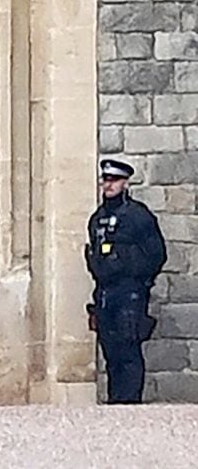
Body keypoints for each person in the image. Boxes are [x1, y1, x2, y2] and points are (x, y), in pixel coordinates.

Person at [85, 158, 167, 404]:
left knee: (129, 349)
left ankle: (129, 403)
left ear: (126, 183)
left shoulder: (137, 216)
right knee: (111, 351)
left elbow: (156, 255)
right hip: (105, 291)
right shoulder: (97, 218)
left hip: (129, 291)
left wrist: (138, 279)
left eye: (114, 180)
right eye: (106, 180)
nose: (109, 185)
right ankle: (115, 402)